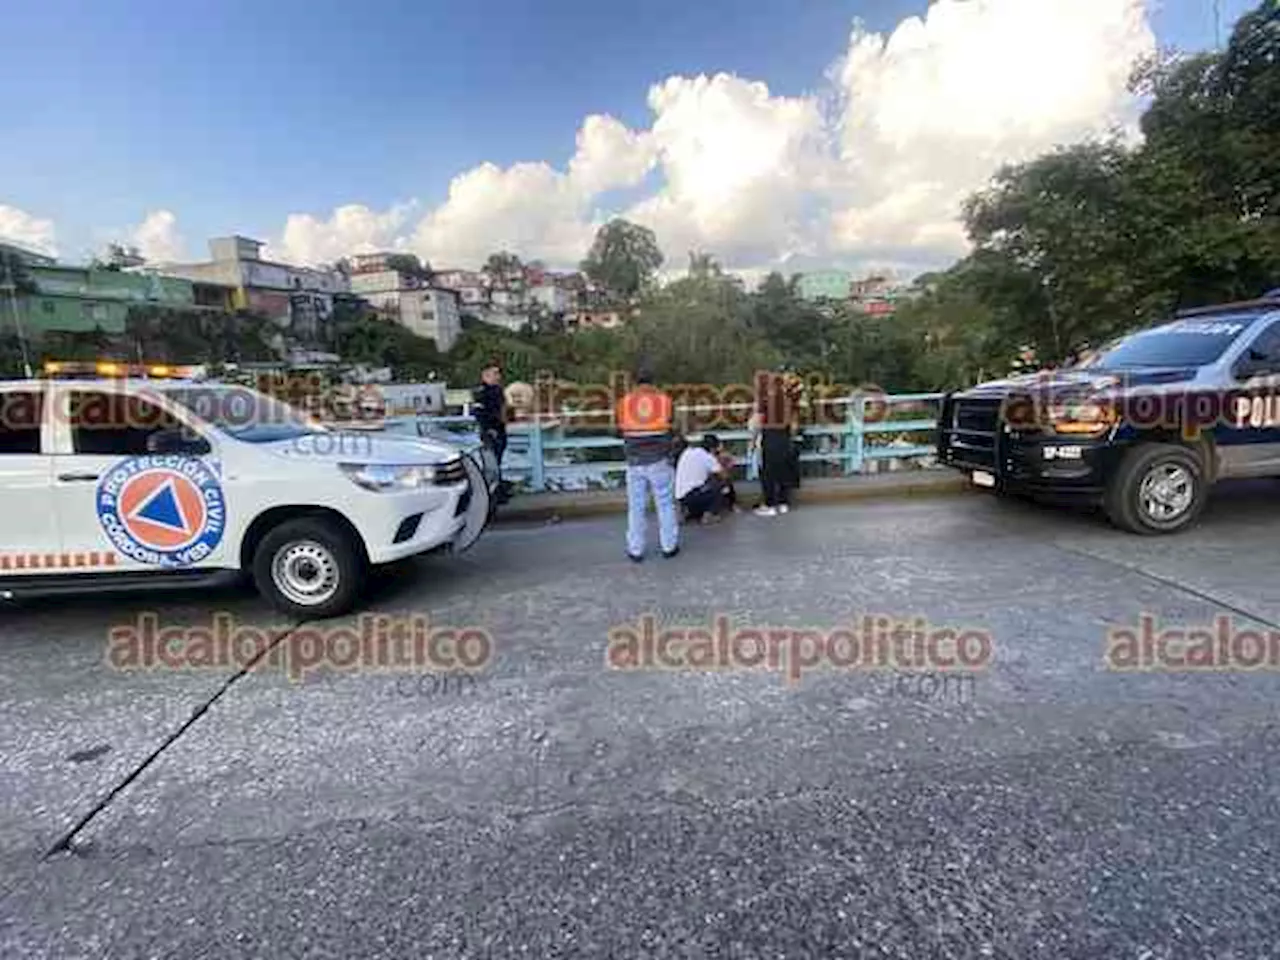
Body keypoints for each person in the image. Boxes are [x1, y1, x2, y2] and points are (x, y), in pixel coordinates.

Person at [617, 367, 679, 561]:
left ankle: (635, 550)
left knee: (636, 507)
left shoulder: (624, 403)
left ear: (635, 382)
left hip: (634, 462)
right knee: (665, 504)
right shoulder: (665, 401)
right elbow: (672, 426)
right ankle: (669, 546)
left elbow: (618, 429)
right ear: (653, 382)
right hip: (660, 460)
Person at [754, 369, 801, 517]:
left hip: (770, 435)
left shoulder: (765, 399)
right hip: (784, 436)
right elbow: (794, 420)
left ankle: (769, 504)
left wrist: (753, 439)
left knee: (768, 472)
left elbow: (758, 419)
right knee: (783, 470)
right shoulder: (788, 397)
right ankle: (783, 503)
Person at [473, 362, 510, 501]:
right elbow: (479, 413)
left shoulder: (497, 390)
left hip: (500, 429)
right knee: (491, 463)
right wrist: (488, 429)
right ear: (485, 375)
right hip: (490, 431)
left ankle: (499, 490)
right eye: (494, 374)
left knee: (498, 460)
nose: (497, 376)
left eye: (498, 373)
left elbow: (502, 410)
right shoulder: (482, 392)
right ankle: (492, 493)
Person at [675, 433, 728, 524]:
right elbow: (724, 475)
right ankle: (709, 515)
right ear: (713, 448)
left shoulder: (688, 452)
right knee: (720, 485)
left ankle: (685, 512)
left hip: (681, 497)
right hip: (694, 495)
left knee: (703, 485)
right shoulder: (708, 457)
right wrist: (721, 458)